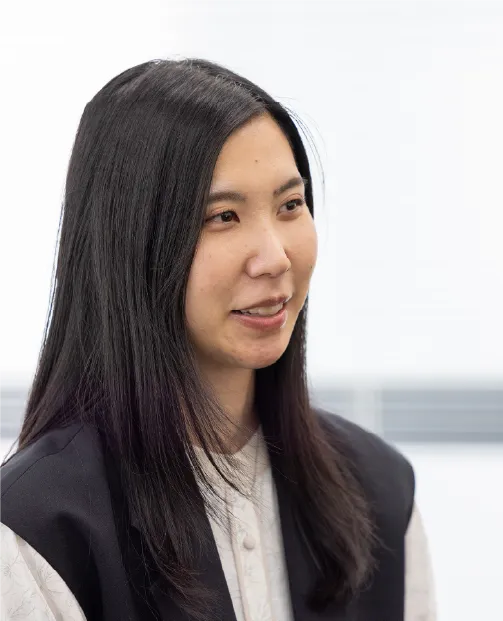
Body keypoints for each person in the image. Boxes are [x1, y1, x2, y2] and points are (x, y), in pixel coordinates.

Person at [0, 58, 436, 621]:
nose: (275, 258)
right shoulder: (36, 534)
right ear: (131, 243)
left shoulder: (381, 492)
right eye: (224, 217)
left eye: (290, 205)